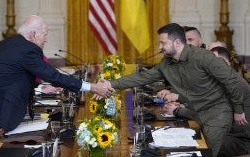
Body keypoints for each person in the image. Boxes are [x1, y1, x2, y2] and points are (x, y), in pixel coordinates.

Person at [0, 15, 110, 157]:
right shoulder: (27, 49)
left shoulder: (13, 43)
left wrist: (39, 86)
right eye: (44, 34)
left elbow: (13, 74)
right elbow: (52, 76)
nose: (46, 39)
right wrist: (93, 87)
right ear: (33, 34)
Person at [97, 23, 248, 157]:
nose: (159, 47)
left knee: (203, 153)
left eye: (163, 43)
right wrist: (111, 84)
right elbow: (143, 77)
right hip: (197, 114)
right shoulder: (166, 62)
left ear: (176, 43)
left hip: (218, 115)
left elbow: (232, 80)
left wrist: (238, 110)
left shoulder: (203, 57)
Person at [162, 46, 250, 156]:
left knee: (193, 146)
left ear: (226, 63)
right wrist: (184, 105)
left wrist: (177, 111)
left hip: (238, 139)